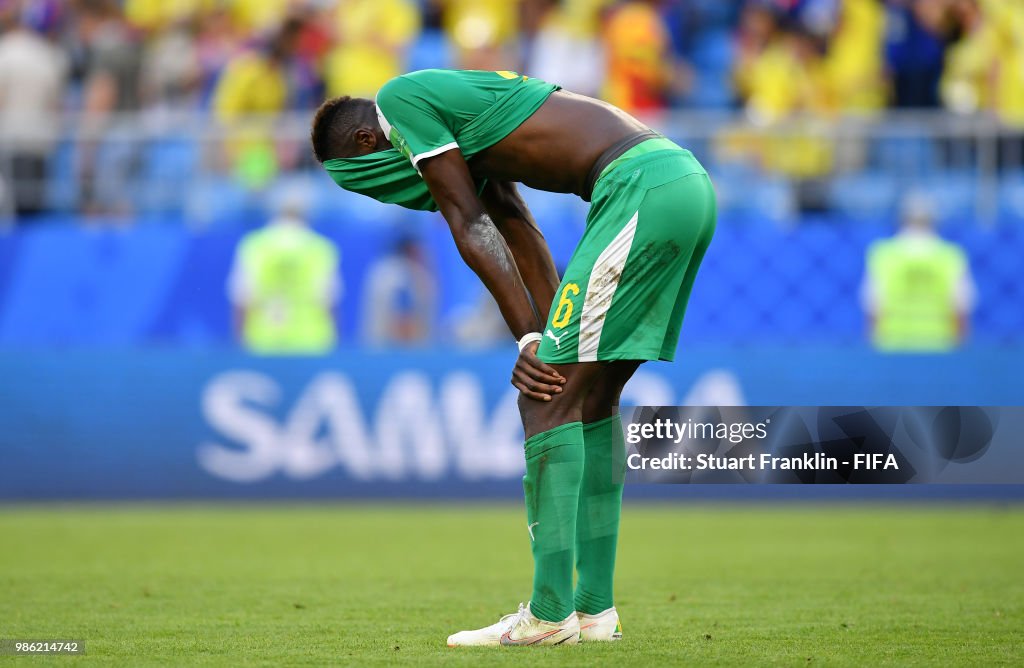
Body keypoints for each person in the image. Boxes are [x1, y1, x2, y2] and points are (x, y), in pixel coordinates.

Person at [310, 68, 716, 646]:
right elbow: (515, 223)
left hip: (637, 189)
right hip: (678, 183)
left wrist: (529, 340)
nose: (385, 194)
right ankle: (594, 613)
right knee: (591, 398)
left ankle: (549, 616)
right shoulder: (461, 125)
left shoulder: (399, 102)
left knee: (543, 399)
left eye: (366, 183)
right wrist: (545, 334)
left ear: (366, 144)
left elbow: (465, 219)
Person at [861, 193, 976, 352]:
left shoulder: (883, 254)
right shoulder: (950, 255)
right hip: (939, 347)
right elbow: (961, 309)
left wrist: (874, 346)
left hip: (893, 347)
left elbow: (873, 307)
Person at [227, 199, 341, 355]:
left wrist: (239, 340)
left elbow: (242, 298)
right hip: (311, 341)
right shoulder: (320, 248)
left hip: (263, 340)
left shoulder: (254, 245)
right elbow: (328, 300)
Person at [361, 235, 437, 345]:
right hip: (394, 350)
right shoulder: (403, 275)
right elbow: (403, 319)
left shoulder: (381, 269)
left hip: (375, 345)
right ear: (412, 250)